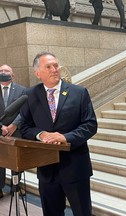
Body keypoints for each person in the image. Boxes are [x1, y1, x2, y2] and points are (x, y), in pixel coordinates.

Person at [20, 52, 97, 215]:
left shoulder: (79, 92)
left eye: (55, 65)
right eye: (48, 66)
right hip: (47, 170)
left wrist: (65, 137)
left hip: (75, 166)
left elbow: (90, 125)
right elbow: (25, 127)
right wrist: (41, 135)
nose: (54, 69)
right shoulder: (29, 95)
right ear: (37, 73)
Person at [0, 64, 26, 199]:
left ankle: (16, 187)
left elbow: (25, 110)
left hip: (16, 131)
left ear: (13, 75)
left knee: (17, 160)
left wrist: (14, 125)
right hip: (0, 132)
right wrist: (1, 127)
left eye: (6, 71)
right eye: (1, 70)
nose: (3, 72)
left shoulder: (22, 90)